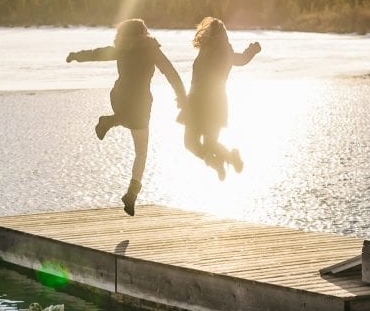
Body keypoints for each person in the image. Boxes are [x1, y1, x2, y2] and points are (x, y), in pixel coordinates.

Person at [67, 19, 186, 216]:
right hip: (140, 102)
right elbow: (171, 72)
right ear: (144, 33)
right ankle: (131, 194)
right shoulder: (151, 49)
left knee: (127, 120)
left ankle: (112, 120)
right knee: (141, 152)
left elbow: (97, 54)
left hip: (119, 97)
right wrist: (181, 96)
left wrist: (76, 56)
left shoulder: (121, 48)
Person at [180, 17, 261, 180]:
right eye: (210, 31)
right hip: (195, 102)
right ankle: (220, 162)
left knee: (209, 143)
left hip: (214, 103)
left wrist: (252, 51)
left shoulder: (224, 50)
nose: (209, 34)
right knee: (190, 143)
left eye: (213, 32)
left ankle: (230, 158)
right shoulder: (205, 48)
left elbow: (240, 60)